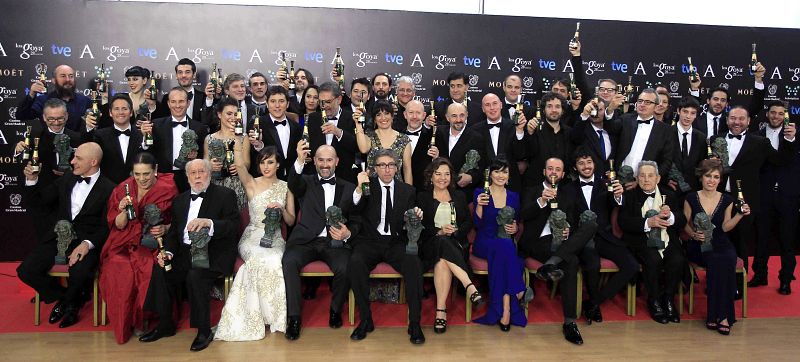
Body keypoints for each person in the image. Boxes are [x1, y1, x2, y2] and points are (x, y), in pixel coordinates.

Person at [139, 159, 239, 352]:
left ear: (209, 174)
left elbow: (233, 226)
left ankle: (203, 331)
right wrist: (167, 252)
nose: (198, 176)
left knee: (196, 275)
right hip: (184, 252)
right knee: (161, 269)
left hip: (214, 252)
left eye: (202, 172)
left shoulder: (225, 195)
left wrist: (209, 223)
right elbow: (174, 234)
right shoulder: (180, 201)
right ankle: (165, 324)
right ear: (187, 177)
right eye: (193, 173)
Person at [18, 142, 115, 328]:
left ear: (93, 162)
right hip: (58, 238)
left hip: (86, 242)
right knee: (26, 271)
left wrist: (87, 244)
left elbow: (106, 226)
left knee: (80, 272)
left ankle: (71, 306)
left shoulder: (110, 188)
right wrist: (31, 180)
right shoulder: (67, 178)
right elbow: (40, 202)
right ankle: (67, 299)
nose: (72, 161)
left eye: (78, 158)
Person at [282, 143, 365, 340]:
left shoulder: (349, 187)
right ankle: (294, 318)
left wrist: (347, 233)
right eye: (321, 160)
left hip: (334, 242)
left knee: (345, 266)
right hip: (305, 241)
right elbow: (293, 182)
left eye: (329, 160)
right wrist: (299, 160)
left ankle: (335, 310)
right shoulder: (305, 182)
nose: (325, 164)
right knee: (289, 262)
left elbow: (357, 219)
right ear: (315, 161)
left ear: (337, 162)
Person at [710, 105, 796, 289]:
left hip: (745, 201)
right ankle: (716, 283)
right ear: (727, 120)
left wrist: (789, 139)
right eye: (733, 118)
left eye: (741, 118)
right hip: (718, 199)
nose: (737, 122)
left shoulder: (760, 142)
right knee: (717, 241)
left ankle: (738, 286)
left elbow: (781, 160)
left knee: (741, 243)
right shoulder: (715, 140)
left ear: (749, 121)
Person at [215, 146, 296, 341]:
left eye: (270, 162)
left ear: (278, 165)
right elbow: (240, 166)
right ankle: (253, 315)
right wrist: (238, 143)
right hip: (252, 236)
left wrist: (281, 208)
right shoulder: (251, 183)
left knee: (274, 259)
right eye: (262, 162)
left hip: (275, 237)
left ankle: (273, 317)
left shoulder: (286, 187)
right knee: (259, 258)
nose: (266, 166)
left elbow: (291, 221)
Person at [347, 149, 425, 344]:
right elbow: (353, 209)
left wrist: (415, 215)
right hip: (370, 241)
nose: (387, 169)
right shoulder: (368, 186)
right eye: (382, 165)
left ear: (397, 168)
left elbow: (410, 218)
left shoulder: (407, 191)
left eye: (390, 165)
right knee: (355, 262)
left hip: (396, 242)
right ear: (375, 168)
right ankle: (366, 320)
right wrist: (359, 189)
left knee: (414, 264)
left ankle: (415, 323)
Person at [99, 152, 178, 343]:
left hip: (151, 244)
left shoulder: (169, 188)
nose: (142, 179)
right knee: (120, 267)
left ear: (155, 170)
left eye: (146, 174)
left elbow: (177, 222)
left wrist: (165, 228)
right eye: (137, 174)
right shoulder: (122, 189)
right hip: (122, 242)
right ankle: (125, 321)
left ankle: (142, 318)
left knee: (147, 266)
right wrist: (122, 210)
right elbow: (118, 225)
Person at [518, 157, 596, 344]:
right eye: (550, 168)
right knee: (572, 261)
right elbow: (523, 215)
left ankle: (551, 264)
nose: (553, 172)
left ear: (562, 174)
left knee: (591, 226)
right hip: (537, 242)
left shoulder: (568, 194)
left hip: (561, 242)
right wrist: (541, 200)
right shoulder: (531, 190)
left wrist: (568, 228)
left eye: (558, 169)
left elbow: (573, 220)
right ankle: (570, 322)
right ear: (544, 171)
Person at [563, 147, 637, 326]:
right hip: (582, 241)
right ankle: (594, 305)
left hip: (604, 237)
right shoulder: (567, 189)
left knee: (632, 265)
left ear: (594, 164)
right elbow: (567, 216)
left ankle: (595, 302)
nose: (586, 166)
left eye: (589, 162)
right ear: (575, 167)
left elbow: (616, 203)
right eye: (581, 163)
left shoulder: (606, 184)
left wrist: (618, 196)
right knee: (592, 264)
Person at [684, 159, 750, 335]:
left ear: (720, 180)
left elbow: (725, 227)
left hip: (721, 242)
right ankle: (717, 315)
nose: (711, 180)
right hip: (699, 244)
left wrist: (739, 215)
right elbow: (684, 224)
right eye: (708, 176)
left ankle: (722, 316)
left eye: (715, 177)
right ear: (701, 177)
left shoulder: (727, 199)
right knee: (716, 260)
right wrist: (693, 234)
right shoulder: (691, 198)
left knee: (727, 258)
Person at [417, 158, 482, 334]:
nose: (442, 178)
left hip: (456, 244)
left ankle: (441, 311)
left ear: (451, 177)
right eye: (438, 174)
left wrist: (455, 231)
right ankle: (469, 286)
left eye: (446, 174)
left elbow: (468, 223)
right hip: (430, 244)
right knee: (441, 241)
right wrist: (439, 231)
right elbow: (420, 227)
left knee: (442, 260)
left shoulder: (459, 196)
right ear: (431, 176)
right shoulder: (422, 197)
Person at [618, 161, 687, 324]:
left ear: (658, 178)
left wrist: (670, 216)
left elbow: (682, 220)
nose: (646, 179)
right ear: (637, 178)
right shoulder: (629, 196)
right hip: (640, 240)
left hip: (666, 238)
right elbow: (623, 222)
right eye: (642, 176)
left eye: (650, 175)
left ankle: (668, 298)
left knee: (677, 259)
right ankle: (654, 299)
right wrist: (648, 223)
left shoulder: (669, 194)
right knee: (653, 259)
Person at [471, 157, 526, 331]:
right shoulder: (480, 192)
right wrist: (479, 206)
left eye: (505, 172)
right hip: (484, 241)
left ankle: (505, 310)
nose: (501, 175)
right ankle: (518, 290)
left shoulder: (514, 196)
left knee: (505, 248)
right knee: (507, 248)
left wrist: (515, 228)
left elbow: (516, 223)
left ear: (509, 176)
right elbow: (477, 225)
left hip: (505, 244)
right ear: (490, 174)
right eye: (497, 171)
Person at [754, 101, 800, 294]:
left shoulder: (794, 136)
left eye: (781, 114)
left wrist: (791, 139)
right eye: (773, 113)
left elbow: (789, 161)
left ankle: (786, 279)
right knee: (761, 238)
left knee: (787, 240)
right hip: (763, 196)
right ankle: (760, 274)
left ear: (785, 116)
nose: (776, 116)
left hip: (787, 197)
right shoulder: (757, 136)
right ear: (767, 114)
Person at [140, 87, 207, 192]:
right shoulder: (156, 125)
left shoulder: (200, 128)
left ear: (188, 103)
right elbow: (148, 152)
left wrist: (195, 156)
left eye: (181, 101)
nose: (177, 105)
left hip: (191, 179)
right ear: (168, 104)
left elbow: (204, 156)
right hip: (163, 179)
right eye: (173, 102)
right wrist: (145, 137)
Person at [608, 89, 674, 185]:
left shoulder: (665, 130)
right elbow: (610, 129)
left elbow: (666, 161)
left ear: (656, 106)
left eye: (647, 102)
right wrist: (610, 110)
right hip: (619, 180)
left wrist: (647, 179)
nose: (642, 104)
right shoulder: (625, 119)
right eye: (640, 101)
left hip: (645, 184)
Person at [303, 82, 358, 184]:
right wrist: (305, 155)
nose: (324, 106)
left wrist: (339, 133)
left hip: (345, 179)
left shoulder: (353, 118)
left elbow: (357, 147)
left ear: (339, 99)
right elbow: (307, 146)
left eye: (328, 102)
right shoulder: (312, 119)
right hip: (315, 180)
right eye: (321, 102)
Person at [83, 94, 143, 184]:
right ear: (110, 113)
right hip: (108, 187)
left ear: (131, 112)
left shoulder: (141, 135)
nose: (120, 112)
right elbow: (87, 151)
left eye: (124, 109)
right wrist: (89, 128)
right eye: (116, 109)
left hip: (136, 186)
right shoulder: (100, 135)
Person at [203, 97, 250, 210]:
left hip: (237, 187)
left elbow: (247, 163)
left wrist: (239, 166)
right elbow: (204, 163)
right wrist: (209, 165)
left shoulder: (243, 137)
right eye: (229, 114)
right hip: (215, 187)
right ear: (219, 114)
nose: (233, 117)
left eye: (236, 114)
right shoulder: (209, 139)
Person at [434, 102, 486, 202]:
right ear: (447, 118)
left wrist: (471, 177)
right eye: (454, 116)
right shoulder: (438, 133)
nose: (458, 120)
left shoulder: (476, 137)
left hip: (464, 195)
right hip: (439, 193)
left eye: (462, 115)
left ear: (467, 115)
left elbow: (482, 165)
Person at [474, 93, 527, 192]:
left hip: (511, 185)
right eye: (487, 105)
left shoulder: (514, 126)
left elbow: (520, 154)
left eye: (495, 103)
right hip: (484, 185)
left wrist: (519, 131)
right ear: (483, 109)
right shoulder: (475, 130)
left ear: (501, 105)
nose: (492, 108)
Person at [247, 86, 301, 180]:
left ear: (287, 104)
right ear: (267, 104)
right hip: (265, 180)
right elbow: (251, 156)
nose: (277, 105)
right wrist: (259, 145)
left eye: (281, 101)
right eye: (273, 101)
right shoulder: (257, 124)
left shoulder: (296, 127)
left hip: (291, 180)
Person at [17, 64, 91, 131]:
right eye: (63, 76)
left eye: (71, 76)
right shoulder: (43, 100)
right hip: (50, 141)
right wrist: (31, 94)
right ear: (54, 80)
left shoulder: (85, 101)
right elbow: (21, 115)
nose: (68, 79)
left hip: (78, 141)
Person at [355, 100, 413, 183]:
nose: (383, 118)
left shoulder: (404, 139)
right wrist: (358, 124)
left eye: (386, 113)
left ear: (392, 116)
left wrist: (409, 190)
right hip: (373, 187)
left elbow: (407, 170)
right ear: (374, 119)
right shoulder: (369, 136)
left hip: (396, 187)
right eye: (378, 115)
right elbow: (363, 149)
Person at [524, 92, 573, 185]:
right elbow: (526, 154)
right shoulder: (534, 130)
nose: (553, 110)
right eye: (549, 106)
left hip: (563, 186)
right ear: (543, 110)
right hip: (536, 185)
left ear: (562, 110)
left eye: (557, 106)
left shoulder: (569, 132)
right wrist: (530, 133)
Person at [570, 97, 617, 178]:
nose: (596, 113)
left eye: (600, 110)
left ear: (605, 111)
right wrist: (584, 115)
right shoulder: (582, 130)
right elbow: (575, 138)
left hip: (609, 180)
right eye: (592, 109)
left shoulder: (612, 130)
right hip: (588, 179)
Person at [152, 58, 206, 123]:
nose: (183, 75)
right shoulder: (167, 98)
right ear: (176, 76)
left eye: (187, 72)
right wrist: (152, 104)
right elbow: (159, 123)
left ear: (194, 75)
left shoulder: (204, 98)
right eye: (180, 72)